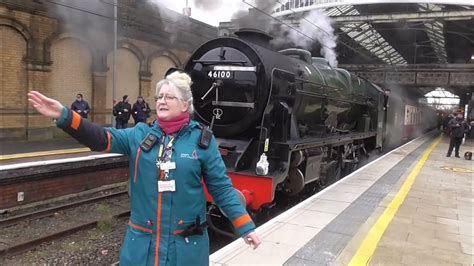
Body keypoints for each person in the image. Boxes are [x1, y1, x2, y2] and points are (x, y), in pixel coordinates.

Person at [27, 71, 261, 265]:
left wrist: (245, 227)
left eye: (169, 97)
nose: (161, 101)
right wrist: (65, 116)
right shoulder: (139, 135)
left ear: (185, 105)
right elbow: (101, 138)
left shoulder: (203, 142)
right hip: (142, 248)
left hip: (186, 251)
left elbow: (221, 189)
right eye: (159, 96)